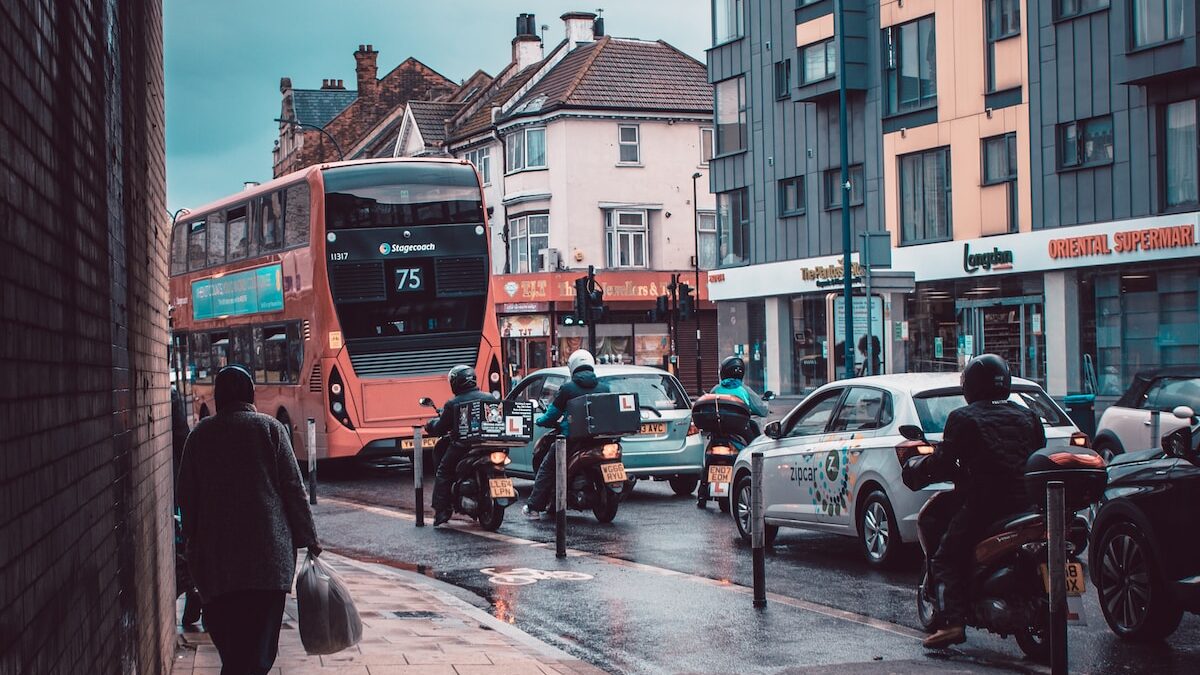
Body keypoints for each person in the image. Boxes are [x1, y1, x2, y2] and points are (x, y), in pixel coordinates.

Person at [176, 365, 320, 675]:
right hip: (267, 561)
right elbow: (293, 490)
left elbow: (186, 497)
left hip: (218, 563)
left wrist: (193, 541)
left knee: (232, 649)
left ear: (218, 397)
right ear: (251, 394)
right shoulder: (269, 429)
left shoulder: (201, 435)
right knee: (258, 648)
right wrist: (309, 538)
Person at [918, 354, 1046, 649]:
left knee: (945, 556)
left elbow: (943, 461)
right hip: (1027, 503)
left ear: (970, 385)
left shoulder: (964, 418)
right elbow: (1036, 451)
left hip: (985, 505)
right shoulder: (1027, 415)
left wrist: (922, 468)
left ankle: (952, 622)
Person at [523, 349, 609, 518]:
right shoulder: (605, 387)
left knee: (547, 468)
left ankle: (534, 507)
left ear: (573, 367)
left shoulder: (568, 389)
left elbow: (552, 414)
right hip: (600, 439)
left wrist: (540, 421)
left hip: (573, 440)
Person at [424, 365, 498, 526]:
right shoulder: (490, 397)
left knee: (443, 471)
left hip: (463, 446)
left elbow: (441, 427)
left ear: (456, 382)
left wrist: (430, 425)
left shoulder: (453, 403)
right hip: (491, 443)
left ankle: (442, 511)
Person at [699, 356, 769, 506]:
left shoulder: (716, 389)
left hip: (719, 432)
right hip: (740, 432)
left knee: (708, 460)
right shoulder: (745, 390)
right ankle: (754, 472)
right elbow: (762, 410)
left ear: (723, 371)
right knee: (755, 449)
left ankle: (701, 494)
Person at [171, 386, 202, 627]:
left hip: (173, 488)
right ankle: (193, 589)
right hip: (174, 486)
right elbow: (181, 439)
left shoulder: (169, 395)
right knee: (182, 544)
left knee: (182, 543)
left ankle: (192, 589)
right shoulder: (171, 396)